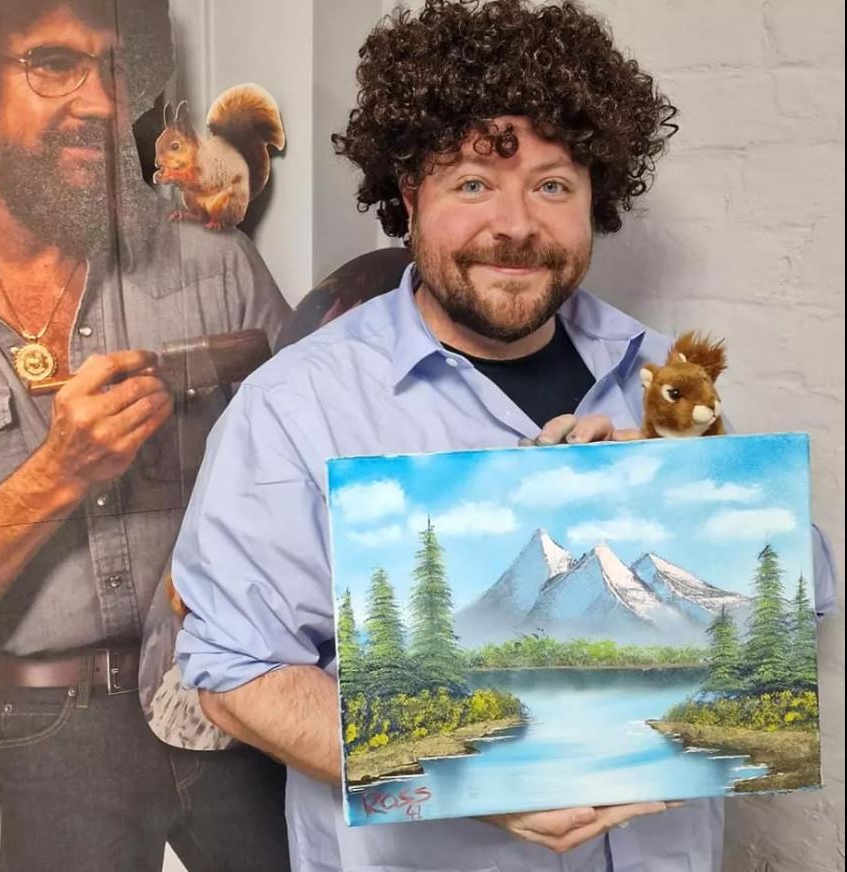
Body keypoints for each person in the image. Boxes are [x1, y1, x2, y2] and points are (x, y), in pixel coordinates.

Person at [171, 2, 838, 871]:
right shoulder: (296, 405)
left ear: (596, 196)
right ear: (410, 197)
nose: (516, 224)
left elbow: (799, 597)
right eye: (473, 183)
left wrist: (682, 489)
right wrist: (469, 773)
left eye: (552, 184)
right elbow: (231, 673)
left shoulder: (665, 378)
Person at [0, 0, 292, 869]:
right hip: (50, 726)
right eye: (54, 63)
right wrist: (60, 472)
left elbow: (329, 476)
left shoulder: (214, 264)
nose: (104, 103)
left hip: (237, 689)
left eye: (113, 70)